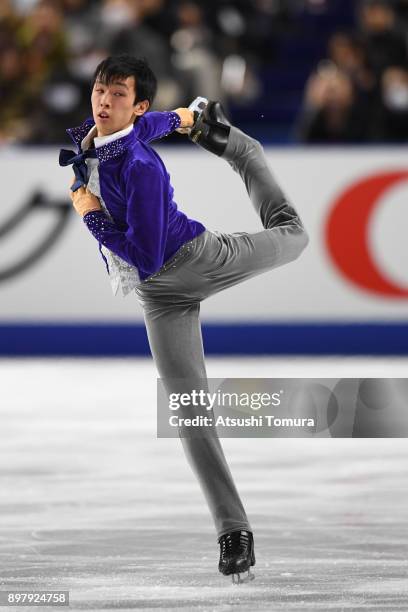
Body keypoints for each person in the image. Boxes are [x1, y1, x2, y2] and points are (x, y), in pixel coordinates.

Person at [59, 53, 309, 583]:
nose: (104, 101)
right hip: (159, 298)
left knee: (294, 236)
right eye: (100, 90)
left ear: (135, 102)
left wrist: (90, 216)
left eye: (118, 94)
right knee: (190, 410)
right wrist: (185, 118)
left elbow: (143, 256)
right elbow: (146, 124)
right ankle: (232, 530)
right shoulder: (100, 134)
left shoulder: (142, 168)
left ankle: (242, 149)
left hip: (196, 260)